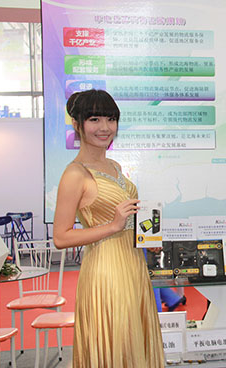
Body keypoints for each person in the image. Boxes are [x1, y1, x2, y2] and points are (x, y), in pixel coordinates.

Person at [53, 89, 165, 367]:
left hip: (133, 264)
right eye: (94, 119)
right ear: (77, 124)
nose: (105, 127)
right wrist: (114, 225)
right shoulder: (75, 174)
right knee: (116, 342)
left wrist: (145, 237)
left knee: (134, 343)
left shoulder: (114, 165)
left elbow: (126, 219)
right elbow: (61, 237)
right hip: (106, 271)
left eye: (111, 119)